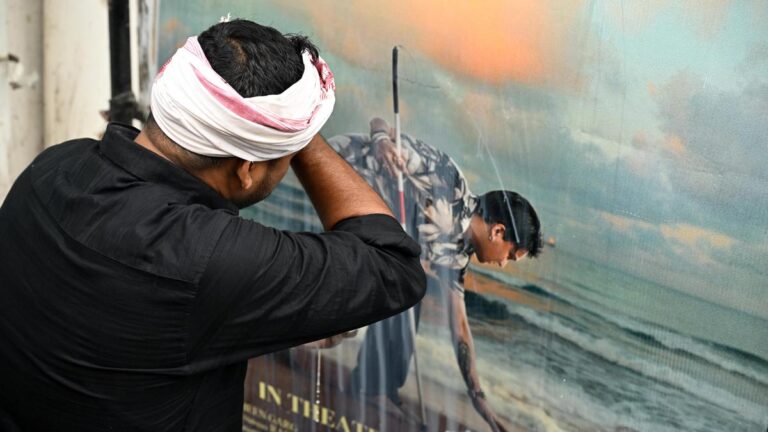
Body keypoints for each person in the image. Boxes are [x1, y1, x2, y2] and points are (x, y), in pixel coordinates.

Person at [0, 20, 425, 431]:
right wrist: (302, 134)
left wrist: (275, 129)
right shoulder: (207, 257)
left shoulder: (55, 166)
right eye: (285, 158)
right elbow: (393, 265)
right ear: (246, 170)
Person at [328, 117, 542, 432]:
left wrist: (478, 398)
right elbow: (379, 123)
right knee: (406, 283)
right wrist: (382, 142)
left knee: (410, 287)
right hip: (333, 171)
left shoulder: (456, 256)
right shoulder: (448, 180)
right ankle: (370, 385)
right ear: (498, 231)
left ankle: (375, 385)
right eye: (511, 254)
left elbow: (460, 328)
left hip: (354, 220)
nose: (503, 264)